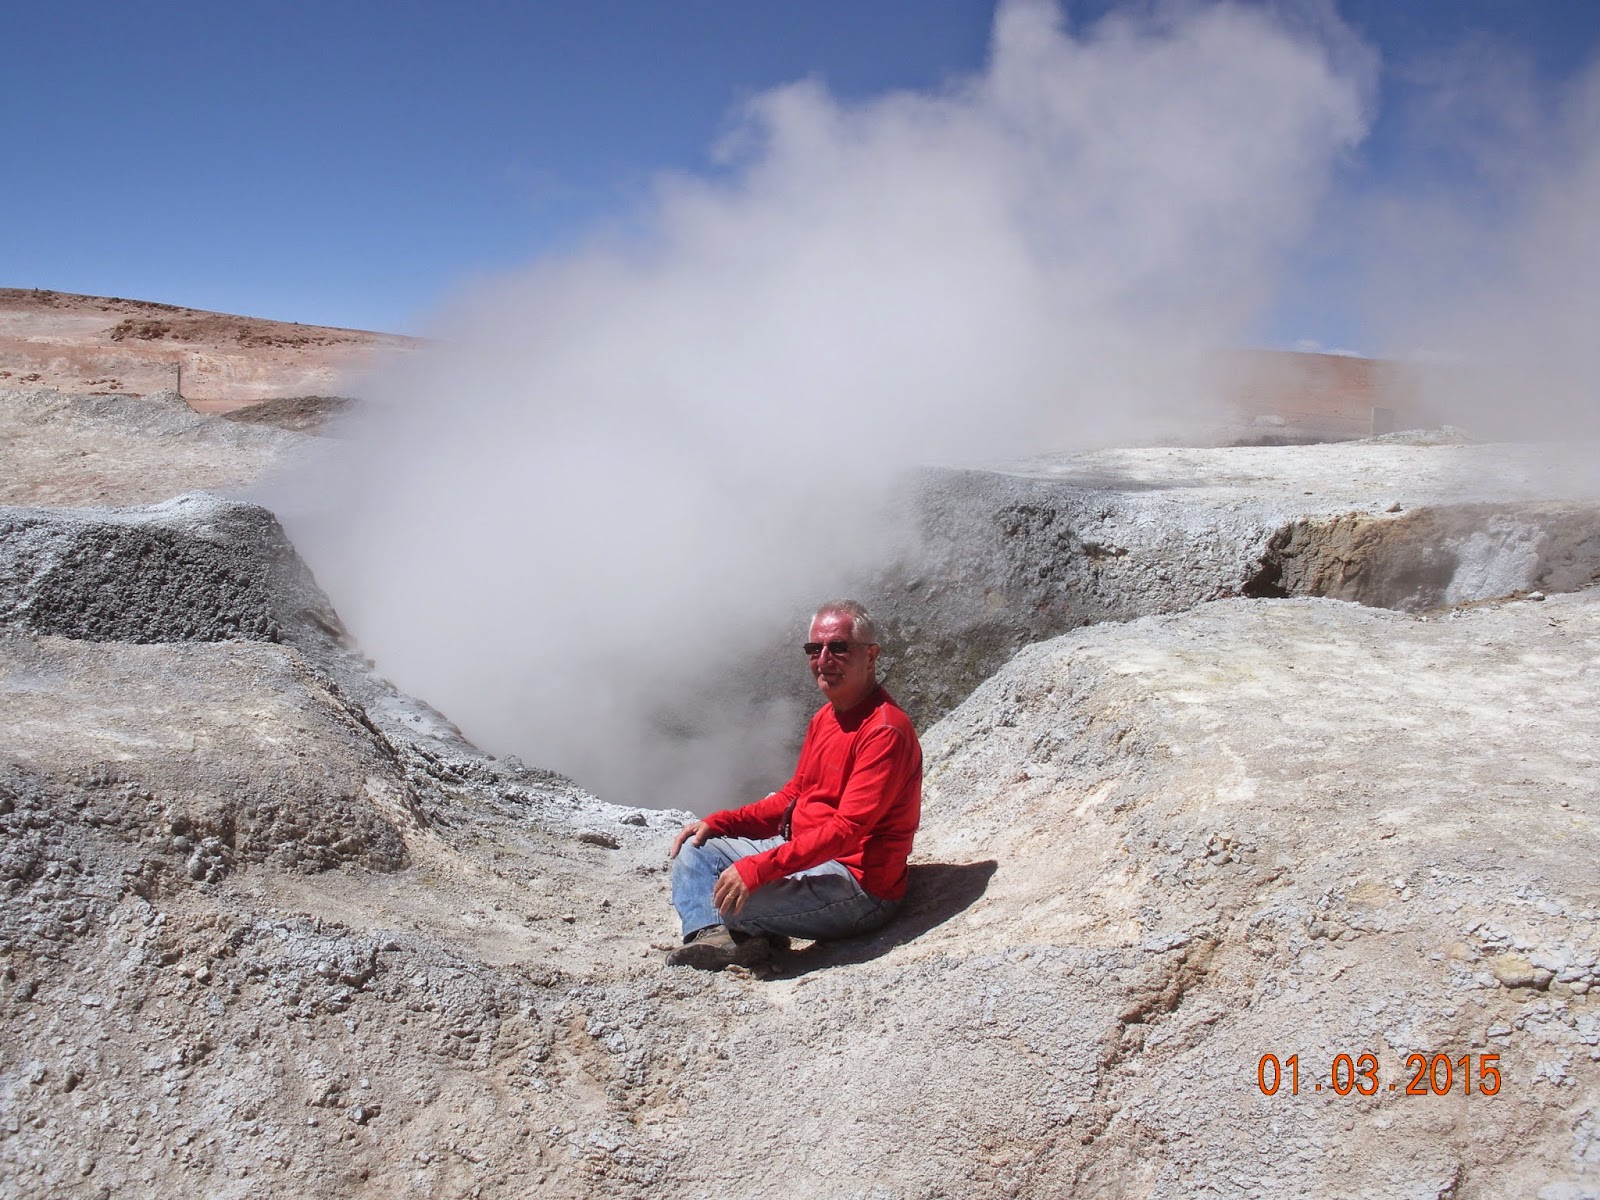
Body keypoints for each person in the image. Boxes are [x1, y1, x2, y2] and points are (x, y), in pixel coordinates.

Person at [666, 599, 922, 970]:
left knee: (729, 896)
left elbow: (846, 831)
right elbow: (792, 798)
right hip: (808, 856)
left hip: (858, 884)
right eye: (814, 649)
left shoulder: (884, 731)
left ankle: (733, 932)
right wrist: (722, 822)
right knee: (699, 849)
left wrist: (758, 870)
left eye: (838, 647)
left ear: (871, 655)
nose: (824, 658)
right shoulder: (826, 717)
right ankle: (721, 936)